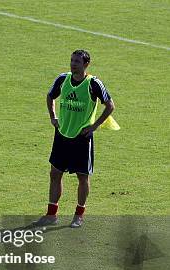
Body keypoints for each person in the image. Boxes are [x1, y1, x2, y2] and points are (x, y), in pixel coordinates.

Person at [34, 50, 115, 228]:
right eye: (72, 60)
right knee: (55, 174)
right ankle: (51, 214)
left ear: (86, 64)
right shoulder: (62, 79)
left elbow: (110, 105)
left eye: (77, 61)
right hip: (62, 134)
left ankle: (79, 215)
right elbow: (50, 96)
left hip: (82, 137)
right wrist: (52, 116)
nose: (73, 64)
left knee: (82, 177)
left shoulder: (93, 84)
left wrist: (94, 126)